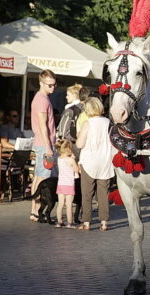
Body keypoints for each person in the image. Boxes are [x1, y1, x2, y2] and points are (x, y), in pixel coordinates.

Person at [76, 97, 116, 231]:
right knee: (103, 194)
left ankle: (86, 222)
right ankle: (104, 222)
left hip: (89, 161)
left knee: (87, 193)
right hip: (105, 161)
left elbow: (80, 144)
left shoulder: (88, 123)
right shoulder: (108, 123)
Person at [30, 69, 58, 223]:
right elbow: (43, 126)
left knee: (37, 178)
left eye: (54, 85)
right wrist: (48, 147)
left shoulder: (41, 98)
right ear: (41, 83)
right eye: (49, 85)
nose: (52, 88)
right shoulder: (42, 100)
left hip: (41, 143)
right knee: (42, 179)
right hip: (43, 144)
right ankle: (35, 211)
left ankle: (34, 211)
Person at [55, 139, 80, 229]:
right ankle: (70, 223)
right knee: (69, 205)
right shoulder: (71, 160)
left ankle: (59, 222)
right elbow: (76, 170)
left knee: (60, 204)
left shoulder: (59, 159)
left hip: (60, 184)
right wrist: (74, 159)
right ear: (68, 149)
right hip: (69, 184)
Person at [57, 84, 84, 158]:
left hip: (69, 144)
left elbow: (62, 131)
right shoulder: (84, 108)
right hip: (82, 143)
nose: (66, 97)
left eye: (68, 95)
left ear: (74, 95)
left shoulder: (69, 110)